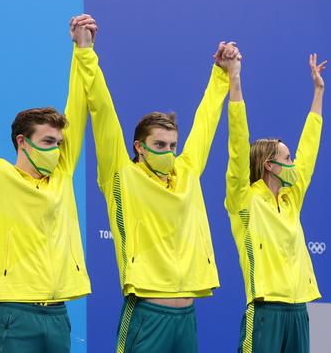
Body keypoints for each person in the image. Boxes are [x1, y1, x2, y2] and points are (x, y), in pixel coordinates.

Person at [80, 29, 241, 351]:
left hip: (187, 317)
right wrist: (86, 53)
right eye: (159, 145)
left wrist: (221, 75)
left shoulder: (187, 171)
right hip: (147, 314)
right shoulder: (121, 176)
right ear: (139, 147)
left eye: (172, 145)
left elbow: (206, 121)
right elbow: (102, 110)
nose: (167, 151)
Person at [0, 14, 97, 352]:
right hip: (13, 313)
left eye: (59, 143)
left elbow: (78, 107)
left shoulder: (61, 175)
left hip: (59, 313)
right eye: (48, 142)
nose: (57, 150)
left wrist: (81, 48)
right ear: (22, 142)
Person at [225, 53, 327, 353]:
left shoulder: (291, 197)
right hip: (265, 310)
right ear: (269, 165)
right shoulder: (244, 198)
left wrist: (318, 92)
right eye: (287, 158)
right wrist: (235, 81)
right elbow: (237, 146)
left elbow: (309, 151)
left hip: (298, 310)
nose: (294, 163)